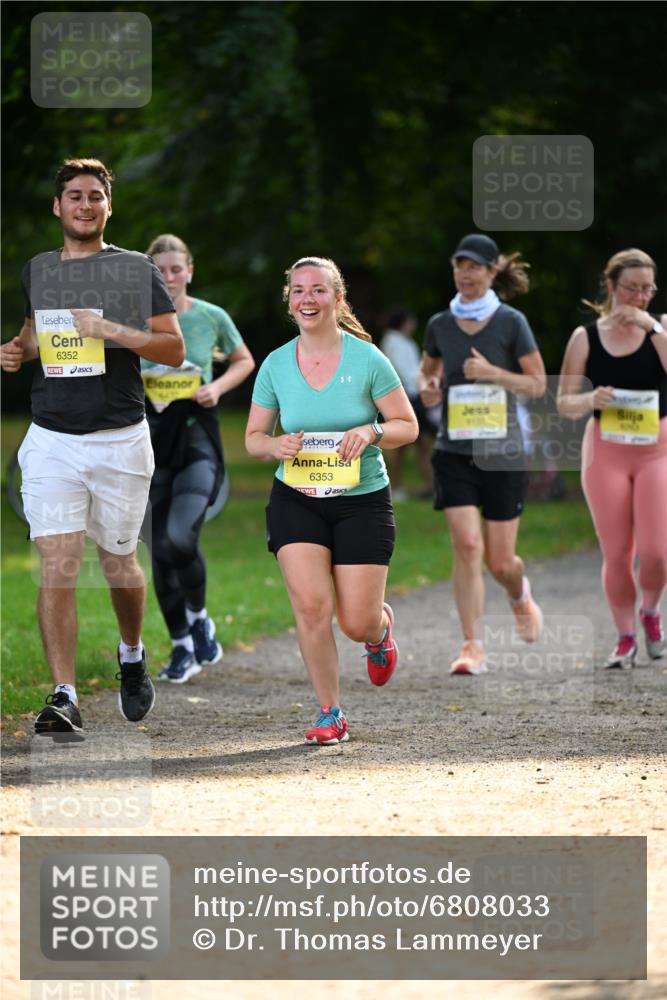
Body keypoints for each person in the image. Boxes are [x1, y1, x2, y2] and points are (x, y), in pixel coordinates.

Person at [0, 158, 184, 733]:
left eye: (95, 197)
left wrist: (108, 330)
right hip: (52, 438)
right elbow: (36, 335)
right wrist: (17, 351)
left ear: (108, 207)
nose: (85, 205)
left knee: (118, 562)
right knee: (58, 561)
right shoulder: (39, 269)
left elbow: (172, 348)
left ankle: (131, 654)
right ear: (57, 206)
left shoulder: (134, 269)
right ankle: (64, 695)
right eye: (75, 196)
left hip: (119, 439)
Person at [245, 256, 418, 744]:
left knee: (355, 622)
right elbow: (253, 438)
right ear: (289, 301)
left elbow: (408, 426)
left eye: (318, 290)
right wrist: (275, 446)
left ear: (338, 299)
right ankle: (330, 713)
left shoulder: (368, 359)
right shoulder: (276, 364)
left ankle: (378, 632)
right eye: (298, 291)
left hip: (361, 498)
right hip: (296, 497)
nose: (308, 299)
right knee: (311, 607)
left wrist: (372, 430)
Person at [419, 233, 546, 676]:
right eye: (460, 265)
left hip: (503, 454)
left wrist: (493, 373)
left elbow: (538, 384)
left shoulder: (511, 322)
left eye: (474, 266)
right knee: (467, 545)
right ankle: (472, 645)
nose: (465, 273)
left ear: (493, 271)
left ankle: (519, 595)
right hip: (454, 451)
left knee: (500, 562)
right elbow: (427, 373)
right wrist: (429, 389)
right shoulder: (440, 324)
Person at [142, 234, 255, 682]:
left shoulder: (211, 316)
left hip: (196, 438)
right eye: (160, 270)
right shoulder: (131, 320)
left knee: (179, 539)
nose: (169, 277)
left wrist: (217, 388)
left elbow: (244, 361)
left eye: (176, 269)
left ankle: (199, 618)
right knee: (158, 553)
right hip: (148, 443)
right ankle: (181, 647)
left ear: (189, 271)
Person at [557, 248, 667, 668]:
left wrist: (652, 327)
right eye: (631, 288)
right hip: (606, 450)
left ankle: (650, 610)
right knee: (618, 552)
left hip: (657, 449)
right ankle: (624, 637)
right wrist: (591, 398)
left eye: (647, 289)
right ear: (611, 286)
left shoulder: (661, 328)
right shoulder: (585, 337)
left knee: (656, 552)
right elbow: (565, 402)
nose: (639, 297)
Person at [380, 306, 437, 499]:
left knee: (419, 443)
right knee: (405, 445)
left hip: (415, 394)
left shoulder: (406, 342)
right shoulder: (392, 341)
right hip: (404, 396)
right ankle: (394, 487)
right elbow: (400, 370)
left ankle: (430, 485)